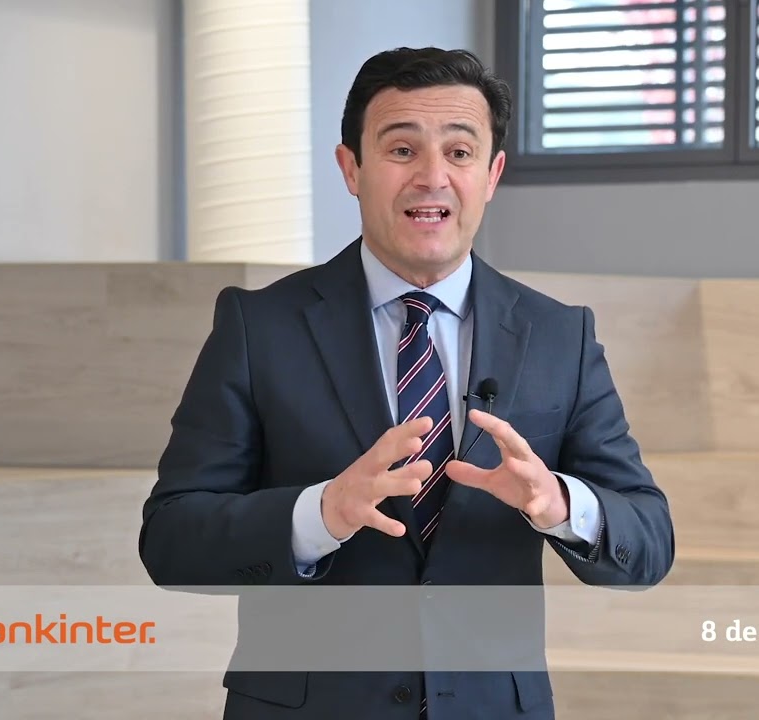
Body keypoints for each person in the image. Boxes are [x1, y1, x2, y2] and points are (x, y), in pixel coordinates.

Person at [138, 46, 675, 720]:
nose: (432, 177)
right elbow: (172, 540)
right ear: (351, 168)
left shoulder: (559, 336)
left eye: (459, 152)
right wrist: (321, 514)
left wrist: (560, 503)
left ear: (491, 173)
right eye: (401, 150)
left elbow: (649, 540)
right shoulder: (259, 327)